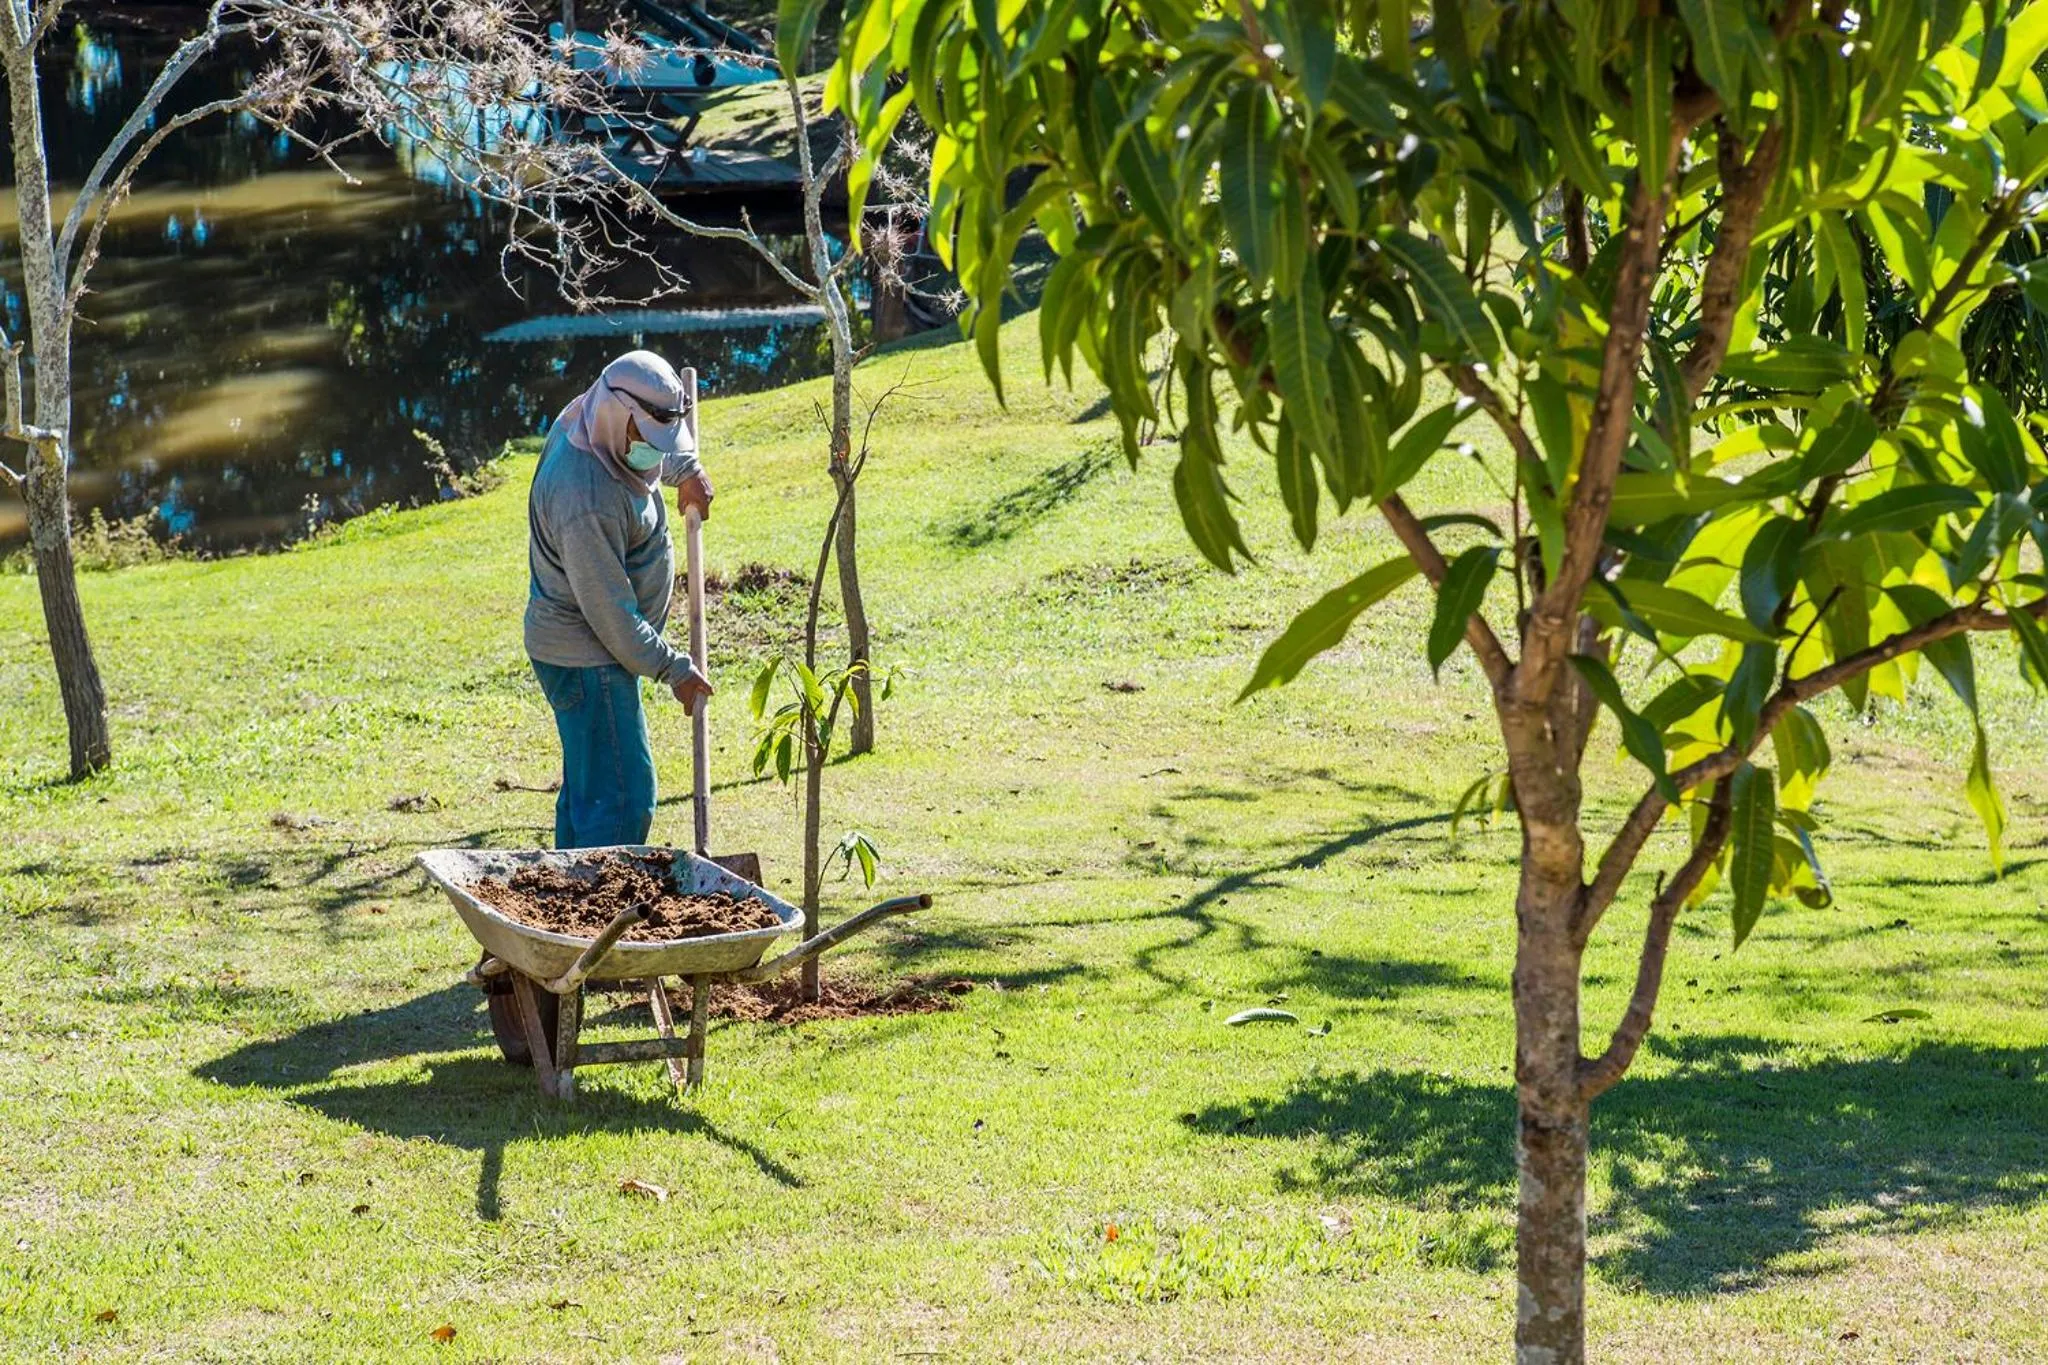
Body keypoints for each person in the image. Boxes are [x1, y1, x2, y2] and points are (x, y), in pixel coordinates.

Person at [524, 350, 716, 849]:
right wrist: (673, 668)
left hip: (599, 653)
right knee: (623, 799)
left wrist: (687, 468)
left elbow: (655, 447)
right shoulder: (582, 494)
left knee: (592, 794)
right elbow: (609, 612)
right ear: (617, 416)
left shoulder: (602, 425)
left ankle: (567, 909)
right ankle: (597, 917)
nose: (653, 453)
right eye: (648, 441)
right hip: (588, 658)